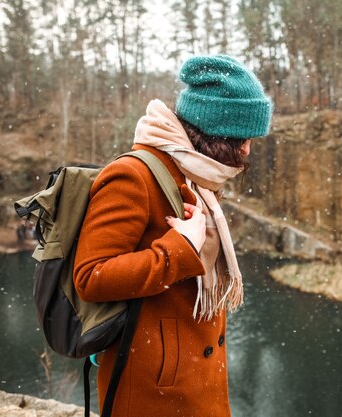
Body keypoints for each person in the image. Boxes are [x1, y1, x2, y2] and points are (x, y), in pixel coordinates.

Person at [73, 55, 273, 417]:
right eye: (242, 138)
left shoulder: (195, 174)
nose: (247, 150)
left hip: (192, 381)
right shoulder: (133, 176)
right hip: (153, 389)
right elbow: (91, 276)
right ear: (212, 133)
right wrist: (178, 250)